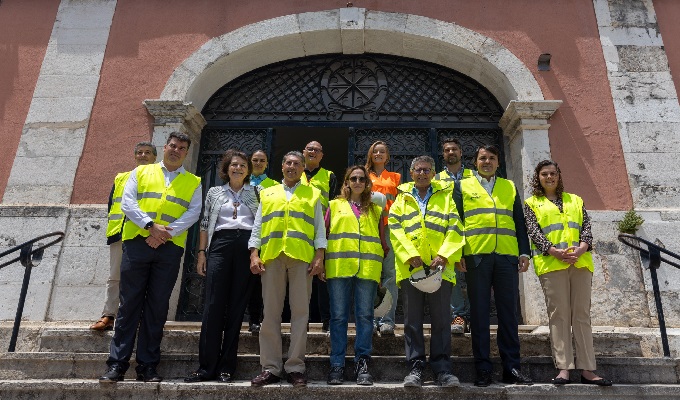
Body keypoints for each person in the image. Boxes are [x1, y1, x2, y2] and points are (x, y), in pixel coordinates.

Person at [99, 132, 202, 383]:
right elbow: (128, 202)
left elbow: (194, 212)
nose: (176, 150)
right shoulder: (141, 173)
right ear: (165, 147)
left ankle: (147, 366)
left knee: (157, 308)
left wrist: (165, 233)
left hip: (169, 248)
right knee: (129, 305)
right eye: (173, 145)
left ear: (187, 153)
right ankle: (117, 365)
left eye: (182, 148)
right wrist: (150, 226)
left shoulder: (194, 181)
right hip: (137, 244)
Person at [524, 160, 612, 386]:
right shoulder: (532, 203)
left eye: (553, 173)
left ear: (559, 176)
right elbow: (534, 233)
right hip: (552, 265)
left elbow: (587, 229)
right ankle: (563, 368)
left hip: (580, 264)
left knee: (581, 316)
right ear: (538, 178)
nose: (549, 177)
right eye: (544, 174)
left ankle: (587, 369)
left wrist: (582, 248)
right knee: (559, 316)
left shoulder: (576, 200)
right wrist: (555, 252)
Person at [453, 144, 533, 387]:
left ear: (498, 162)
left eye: (491, 158)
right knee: (478, 315)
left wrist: (524, 252)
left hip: (507, 257)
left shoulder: (508, 186)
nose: (487, 162)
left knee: (508, 314)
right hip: (476, 257)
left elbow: (519, 221)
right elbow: (457, 222)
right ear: (475, 162)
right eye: (482, 158)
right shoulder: (462, 186)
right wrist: (458, 253)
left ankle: (511, 368)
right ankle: (483, 368)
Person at [248, 151, 326, 387]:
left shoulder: (313, 193)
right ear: (282, 166)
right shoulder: (268, 192)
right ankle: (270, 367)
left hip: (301, 257)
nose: (292, 167)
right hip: (271, 256)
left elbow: (319, 228)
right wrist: (253, 253)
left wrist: (320, 255)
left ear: (303, 169)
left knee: (300, 313)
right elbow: (258, 224)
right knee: (270, 313)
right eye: (288, 163)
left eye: (297, 164)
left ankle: (295, 366)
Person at [184, 149, 260, 383]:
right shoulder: (215, 193)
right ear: (226, 169)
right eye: (234, 165)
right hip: (220, 244)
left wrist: (255, 252)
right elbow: (205, 223)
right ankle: (206, 367)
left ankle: (227, 367)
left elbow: (261, 223)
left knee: (237, 307)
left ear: (248, 170)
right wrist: (201, 254)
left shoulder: (257, 192)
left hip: (246, 245)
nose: (238, 168)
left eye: (242, 166)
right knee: (213, 305)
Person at [389, 156, 465, 388]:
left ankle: (442, 369)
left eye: (427, 170)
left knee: (442, 320)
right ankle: (415, 368)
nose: (422, 173)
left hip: (440, 269)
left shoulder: (446, 198)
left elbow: (455, 227)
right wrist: (409, 254)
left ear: (433, 173)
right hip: (411, 269)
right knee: (412, 321)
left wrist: (444, 254)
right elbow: (395, 229)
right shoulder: (400, 199)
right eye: (418, 170)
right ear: (411, 173)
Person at [324, 166, 387, 386]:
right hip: (339, 268)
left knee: (365, 318)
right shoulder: (334, 205)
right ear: (347, 182)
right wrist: (321, 265)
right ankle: (337, 365)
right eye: (354, 178)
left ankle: (362, 363)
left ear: (367, 183)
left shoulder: (376, 209)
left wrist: (380, 272)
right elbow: (324, 238)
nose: (358, 182)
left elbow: (383, 244)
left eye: (362, 179)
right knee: (339, 318)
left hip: (368, 270)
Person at [91, 142, 156, 331]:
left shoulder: (159, 178)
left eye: (148, 153)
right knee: (115, 276)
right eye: (139, 152)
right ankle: (109, 315)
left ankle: (136, 316)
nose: (143, 155)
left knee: (142, 277)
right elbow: (112, 204)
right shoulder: (121, 178)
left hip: (145, 234)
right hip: (120, 232)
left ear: (154, 157)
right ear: (135, 156)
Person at [434, 138, 472, 334]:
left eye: (454, 149)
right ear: (443, 154)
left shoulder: (473, 176)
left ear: (461, 152)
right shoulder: (437, 179)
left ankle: (474, 315)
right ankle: (458, 314)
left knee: (474, 275)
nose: (450, 152)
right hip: (449, 233)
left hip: (474, 232)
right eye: (447, 150)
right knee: (453, 274)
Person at [365, 140, 401, 336]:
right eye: (375, 151)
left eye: (382, 152)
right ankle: (369, 319)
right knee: (369, 275)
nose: (378, 154)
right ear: (370, 155)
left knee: (389, 275)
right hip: (368, 227)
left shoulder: (395, 177)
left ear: (387, 156)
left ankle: (387, 320)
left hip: (388, 229)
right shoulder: (363, 176)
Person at [301, 141, 336, 332]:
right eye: (310, 149)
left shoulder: (329, 176)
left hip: (323, 231)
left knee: (323, 277)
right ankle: (301, 320)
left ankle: (327, 321)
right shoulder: (295, 172)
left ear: (322, 155)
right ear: (303, 152)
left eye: (317, 150)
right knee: (301, 276)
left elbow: (334, 204)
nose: (313, 152)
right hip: (300, 231)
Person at [247, 149, 279, 333]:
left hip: (264, 237)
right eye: (255, 160)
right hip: (242, 233)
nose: (258, 163)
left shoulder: (274, 186)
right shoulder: (242, 181)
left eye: (262, 160)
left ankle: (256, 319)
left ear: (267, 163)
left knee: (259, 282)